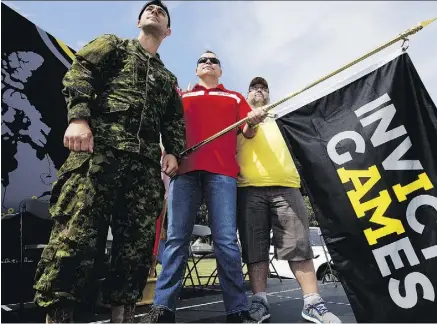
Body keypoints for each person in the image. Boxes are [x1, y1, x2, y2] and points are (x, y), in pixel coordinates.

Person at [32, 1, 185, 322]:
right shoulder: (113, 45)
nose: (155, 10)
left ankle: (123, 316)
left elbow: (173, 120)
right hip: (98, 155)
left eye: (162, 12)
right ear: (138, 20)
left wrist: (173, 150)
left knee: (135, 250)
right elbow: (81, 72)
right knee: (75, 239)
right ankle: (58, 317)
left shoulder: (166, 77)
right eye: (149, 9)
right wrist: (78, 118)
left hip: (143, 169)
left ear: (168, 31)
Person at [141, 51, 266, 323]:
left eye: (213, 61)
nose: (208, 63)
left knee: (225, 242)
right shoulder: (182, 97)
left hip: (222, 173)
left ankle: (237, 310)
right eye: (202, 60)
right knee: (176, 241)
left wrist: (254, 122)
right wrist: (169, 154)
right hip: (184, 173)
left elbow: (247, 131)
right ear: (197, 70)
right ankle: (163, 309)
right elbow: (167, 128)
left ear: (220, 71)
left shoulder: (234, 97)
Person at [236, 77, 342, 323]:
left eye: (263, 88)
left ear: (269, 95)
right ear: (247, 94)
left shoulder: (281, 119)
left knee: (299, 246)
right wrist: (251, 121)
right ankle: (260, 301)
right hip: (250, 189)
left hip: (287, 187)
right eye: (254, 88)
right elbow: (248, 133)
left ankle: (312, 303)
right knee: (255, 248)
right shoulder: (240, 117)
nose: (259, 91)